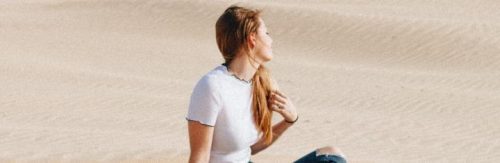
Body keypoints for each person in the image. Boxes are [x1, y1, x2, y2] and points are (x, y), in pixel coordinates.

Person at [186, 4, 347, 163]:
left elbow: (249, 149)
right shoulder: (212, 87)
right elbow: (199, 157)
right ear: (252, 39)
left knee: (332, 156)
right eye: (266, 33)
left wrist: (289, 121)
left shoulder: (261, 82)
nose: (271, 40)